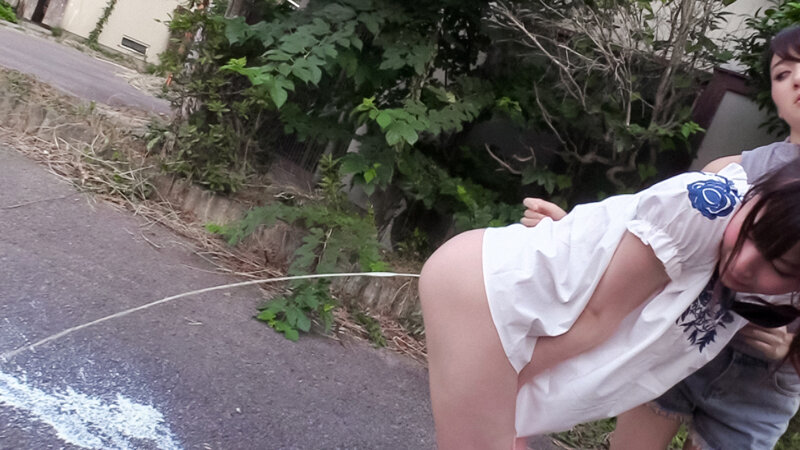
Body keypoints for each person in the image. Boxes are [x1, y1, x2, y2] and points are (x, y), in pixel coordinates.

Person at [522, 26, 800, 450]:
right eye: (782, 73)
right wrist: (576, 234)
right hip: (676, 341)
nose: (795, 79)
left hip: (760, 386)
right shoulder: (732, 173)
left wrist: (792, 347)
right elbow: (650, 235)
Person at [419, 157, 800, 449]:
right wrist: (503, 386)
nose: (745, 264)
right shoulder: (704, 205)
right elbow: (595, 316)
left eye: (779, 267)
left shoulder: (781, 290)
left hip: (522, 308)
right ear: (755, 195)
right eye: (752, 232)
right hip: (488, 291)